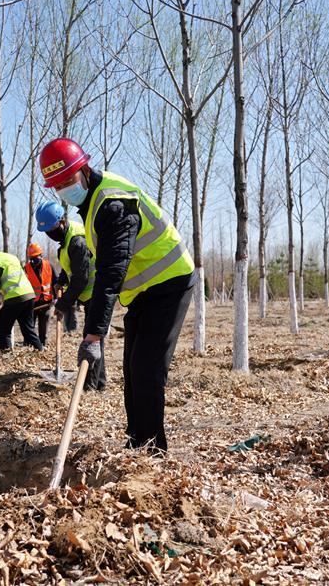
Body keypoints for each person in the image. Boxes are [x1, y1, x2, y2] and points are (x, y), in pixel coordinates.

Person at [38, 138, 194, 451]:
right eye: (59, 185)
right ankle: (135, 441)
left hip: (170, 281)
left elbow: (110, 274)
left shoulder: (113, 204)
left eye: (69, 180)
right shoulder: (92, 203)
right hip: (143, 292)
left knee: (147, 369)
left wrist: (93, 335)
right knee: (132, 369)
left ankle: (152, 450)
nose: (66, 188)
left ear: (83, 169)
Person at [35, 200, 105, 391]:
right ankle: (98, 383)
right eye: (47, 230)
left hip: (97, 291)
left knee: (91, 339)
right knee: (94, 338)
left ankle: (91, 386)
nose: (51, 233)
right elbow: (72, 267)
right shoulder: (66, 239)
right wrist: (62, 280)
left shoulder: (77, 240)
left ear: (62, 221)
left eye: (52, 228)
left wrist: (63, 304)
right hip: (90, 293)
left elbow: (81, 278)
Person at [0, 244, 43, 351]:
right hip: (29, 294)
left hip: (15, 297)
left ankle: (5, 352)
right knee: (28, 330)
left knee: (1, 327)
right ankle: (40, 350)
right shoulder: (9, 256)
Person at [24, 242, 54, 346]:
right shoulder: (26, 268)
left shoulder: (49, 266)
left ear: (41, 256)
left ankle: (42, 345)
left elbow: (56, 282)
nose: (33, 261)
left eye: (35, 258)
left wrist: (57, 298)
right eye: (31, 259)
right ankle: (27, 344)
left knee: (43, 327)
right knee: (29, 326)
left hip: (46, 302)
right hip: (32, 303)